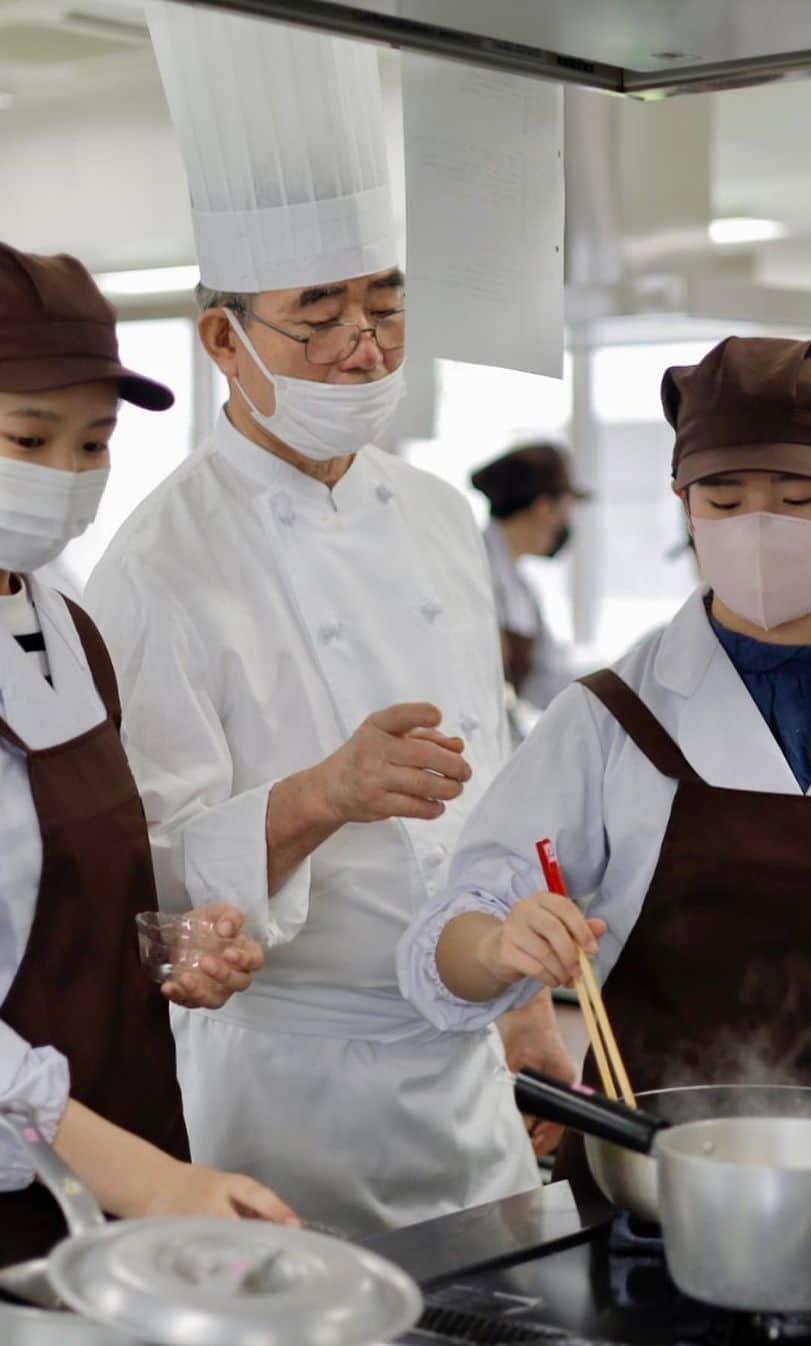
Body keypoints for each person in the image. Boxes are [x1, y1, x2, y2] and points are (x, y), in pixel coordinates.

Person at [398, 337, 811, 1232]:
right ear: (684, 506)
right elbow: (443, 945)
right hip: (647, 1180)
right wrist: (499, 946)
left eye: (797, 502)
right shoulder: (612, 713)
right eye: (723, 501)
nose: (757, 531)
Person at [85, 5, 569, 1233]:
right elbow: (141, 880)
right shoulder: (157, 562)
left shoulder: (437, 515)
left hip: (466, 1075)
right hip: (288, 1096)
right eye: (321, 315)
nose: (364, 350)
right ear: (223, 339)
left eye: (387, 308)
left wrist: (525, 1016)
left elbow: (490, 788)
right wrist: (323, 793)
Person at [0, 243, 295, 1266]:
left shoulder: (70, 635)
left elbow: (50, 888)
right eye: (29, 437)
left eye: (92, 445)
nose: (64, 476)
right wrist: (147, 1180)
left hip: (110, 1162)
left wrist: (167, 939)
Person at [471, 443, 589, 712]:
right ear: (544, 508)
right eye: (567, 509)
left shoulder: (521, 587)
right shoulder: (469, 567)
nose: (567, 522)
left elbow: (544, 681)